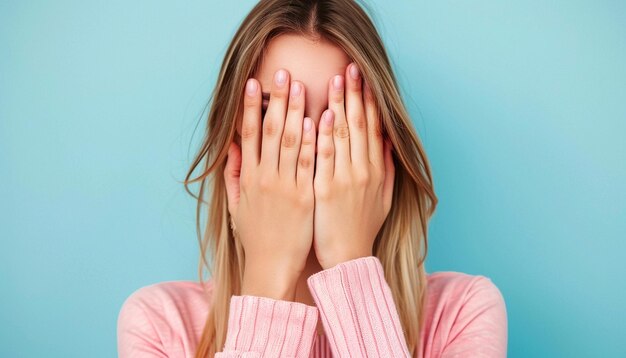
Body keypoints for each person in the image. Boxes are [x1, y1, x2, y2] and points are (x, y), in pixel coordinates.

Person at [117, 0, 508, 357]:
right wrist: (269, 275)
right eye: (277, 113)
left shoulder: (462, 313)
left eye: (338, 118)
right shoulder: (160, 326)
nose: (308, 146)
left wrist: (350, 263)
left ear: (381, 140)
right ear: (233, 140)